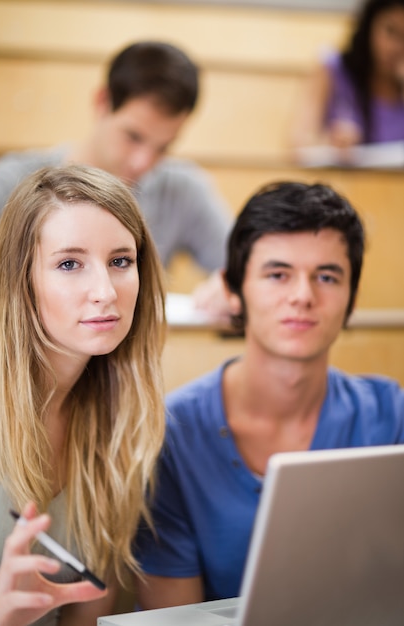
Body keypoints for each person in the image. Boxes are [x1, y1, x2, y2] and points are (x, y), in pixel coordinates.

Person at [134, 180, 404, 608]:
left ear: (351, 299)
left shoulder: (391, 415)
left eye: (327, 276)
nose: (303, 296)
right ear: (233, 291)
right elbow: (174, 618)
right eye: (278, 274)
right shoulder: (172, 435)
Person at [0, 163, 166, 626]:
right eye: (69, 264)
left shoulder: (122, 419)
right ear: (20, 279)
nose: (105, 291)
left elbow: (88, 609)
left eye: (121, 261)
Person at [0, 41, 232, 315]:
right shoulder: (8, 183)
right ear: (103, 102)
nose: (143, 162)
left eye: (163, 147)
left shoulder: (183, 189)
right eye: (133, 137)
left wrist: (231, 284)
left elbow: (245, 267)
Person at [291, 0, 404, 152]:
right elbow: (296, 144)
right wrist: (330, 142)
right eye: (390, 31)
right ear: (370, 24)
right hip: (340, 175)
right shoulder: (332, 70)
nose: (396, 47)